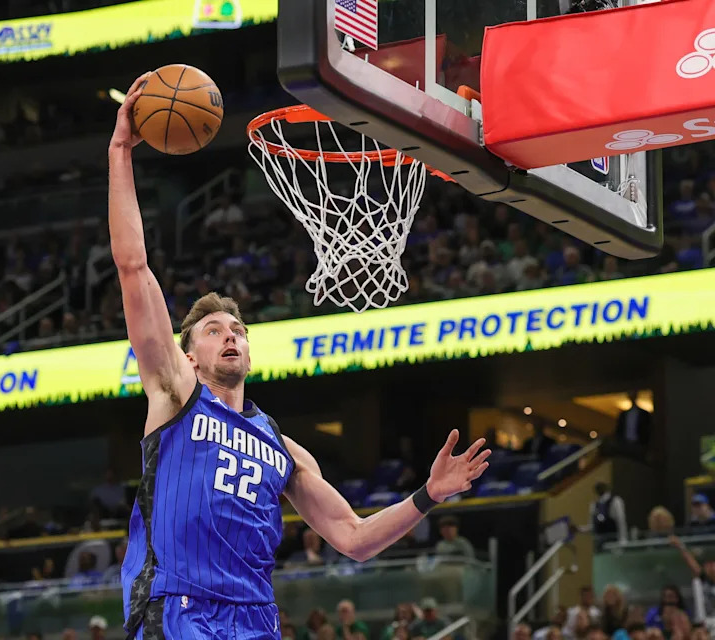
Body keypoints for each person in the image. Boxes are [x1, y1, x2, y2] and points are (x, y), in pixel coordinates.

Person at [109, 72, 492, 640]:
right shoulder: (173, 397)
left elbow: (354, 538)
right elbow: (134, 268)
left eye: (237, 328)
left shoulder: (280, 447)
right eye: (213, 331)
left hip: (256, 620)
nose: (230, 335)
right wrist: (120, 151)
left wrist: (428, 495)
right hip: (179, 611)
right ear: (188, 357)